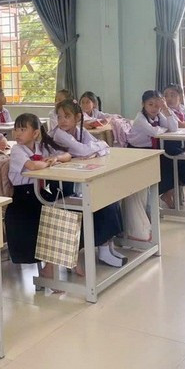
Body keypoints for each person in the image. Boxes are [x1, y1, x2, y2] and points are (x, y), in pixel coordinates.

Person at [50, 100, 126, 268]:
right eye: (60, 116)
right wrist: (91, 150)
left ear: (77, 117)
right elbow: (84, 151)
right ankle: (104, 250)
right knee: (101, 203)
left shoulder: (79, 131)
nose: (62, 121)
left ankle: (108, 247)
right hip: (61, 186)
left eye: (67, 116)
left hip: (78, 179)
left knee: (109, 199)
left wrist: (91, 150)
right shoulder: (59, 134)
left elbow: (105, 147)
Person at [5, 114, 70, 281]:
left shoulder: (42, 147)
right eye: (16, 129)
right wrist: (49, 163)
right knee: (52, 214)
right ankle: (51, 269)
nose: (17, 133)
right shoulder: (17, 150)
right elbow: (33, 166)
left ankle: (53, 266)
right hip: (23, 197)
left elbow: (67, 156)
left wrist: (55, 158)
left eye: (22, 129)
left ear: (35, 134)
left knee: (65, 206)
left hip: (40, 192)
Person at [126, 90, 185, 209]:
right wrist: (163, 128)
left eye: (157, 104)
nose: (154, 108)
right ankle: (165, 193)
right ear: (143, 104)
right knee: (168, 161)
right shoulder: (140, 118)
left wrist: (165, 109)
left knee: (175, 161)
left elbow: (173, 128)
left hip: (153, 150)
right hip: (137, 152)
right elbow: (154, 132)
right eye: (150, 104)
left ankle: (167, 193)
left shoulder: (159, 114)